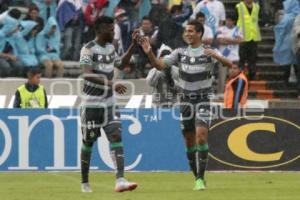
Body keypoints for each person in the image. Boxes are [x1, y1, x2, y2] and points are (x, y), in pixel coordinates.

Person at [139, 19, 232, 190]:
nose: (187, 34)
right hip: (185, 102)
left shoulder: (209, 51)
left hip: (203, 99)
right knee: (189, 141)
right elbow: (159, 65)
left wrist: (217, 56)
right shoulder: (179, 53)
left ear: (199, 33)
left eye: (191, 31)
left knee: (201, 136)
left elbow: (230, 64)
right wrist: (149, 52)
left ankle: (200, 179)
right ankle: (196, 176)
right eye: (186, 31)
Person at [79, 16, 138, 193]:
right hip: (91, 104)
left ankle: (120, 179)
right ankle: (84, 182)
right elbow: (86, 74)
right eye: (110, 29)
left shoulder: (111, 48)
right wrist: (112, 83)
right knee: (88, 142)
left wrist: (133, 46)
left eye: (114, 29)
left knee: (116, 137)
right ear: (99, 30)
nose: (113, 32)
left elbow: (120, 63)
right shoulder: (88, 49)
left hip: (109, 103)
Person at [235, 0, 261, 80]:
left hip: (254, 36)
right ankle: (240, 75)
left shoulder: (257, 7)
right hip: (242, 36)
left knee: (253, 58)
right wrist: (237, 35)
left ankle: (252, 74)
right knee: (242, 57)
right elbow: (236, 21)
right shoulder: (239, 6)